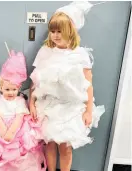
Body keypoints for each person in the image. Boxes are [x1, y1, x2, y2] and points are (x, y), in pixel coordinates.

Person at [29, 2, 105, 171]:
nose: (56, 35)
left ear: (70, 31)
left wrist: (88, 110)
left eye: (60, 31)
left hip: (70, 107)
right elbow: (35, 80)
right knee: (48, 143)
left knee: (65, 146)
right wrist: (31, 103)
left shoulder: (80, 54)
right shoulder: (45, 51)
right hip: (47, 104)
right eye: (53, 31)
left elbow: (88, 84)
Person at [0, 50, 46, 171]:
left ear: (18, 88)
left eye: (13, 90)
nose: (10, 93)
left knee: (17, 147)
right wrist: (2, 127)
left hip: (17, 127)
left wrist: (11, 131)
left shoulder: (20, 99)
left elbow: (19, 117)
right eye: (7, 89)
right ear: (1, 88)